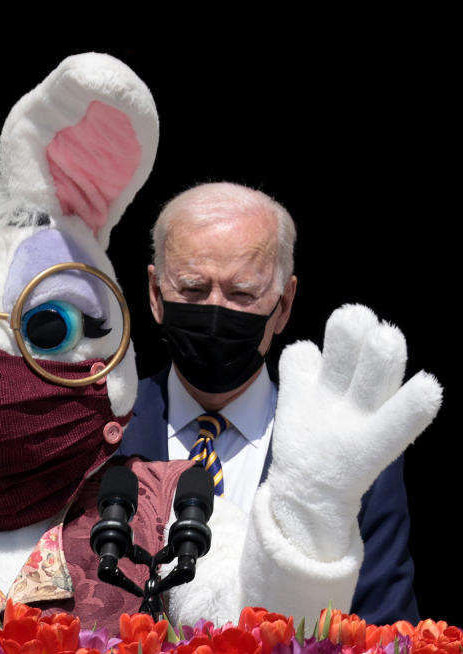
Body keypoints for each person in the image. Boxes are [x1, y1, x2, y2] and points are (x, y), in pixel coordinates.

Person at [119, 182, 418, 624]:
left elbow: (388, 629)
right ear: (154, 292)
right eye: (193, 289)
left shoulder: (350, 457)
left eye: (242, 294)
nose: (216, 311)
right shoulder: (102, 432)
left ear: (284, 305)